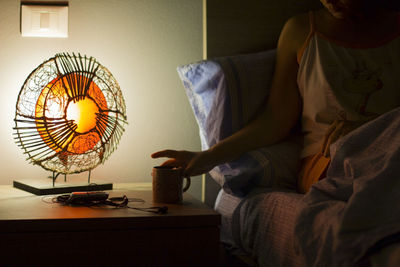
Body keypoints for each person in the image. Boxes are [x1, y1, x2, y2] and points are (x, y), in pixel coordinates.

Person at [152, 0, 400, 194]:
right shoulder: (301, 31)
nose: (331, 1)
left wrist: (371, 130)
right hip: (328, 161)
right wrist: (209, 156)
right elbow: (276, 119)